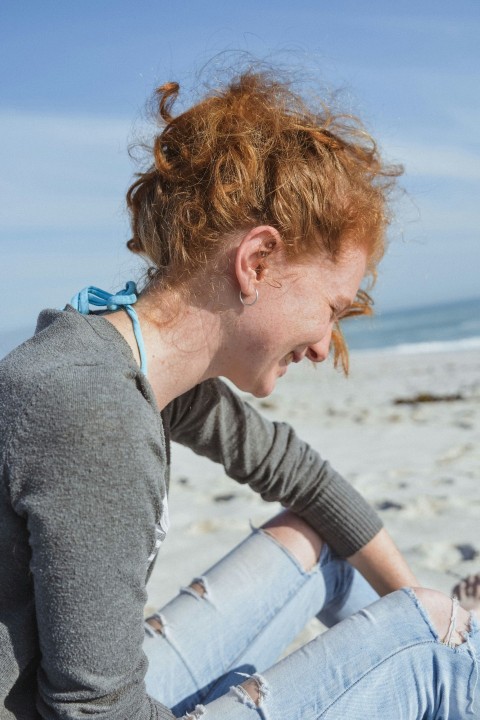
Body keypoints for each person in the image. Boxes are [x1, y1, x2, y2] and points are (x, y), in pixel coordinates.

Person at [0, 69, 478, 720]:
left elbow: (304, 479)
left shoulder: (129, 360)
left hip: (97, 690)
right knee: (431, 668)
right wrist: (424, 628)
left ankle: (463, 642)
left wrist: (423, 603)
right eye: (331, 308)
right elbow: (94, 712)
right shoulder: (96, 413)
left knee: (333, 553)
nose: (321, 345)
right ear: (255, 263)